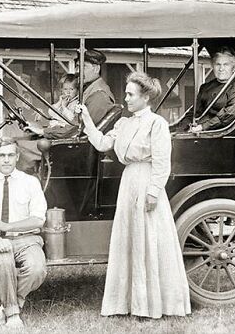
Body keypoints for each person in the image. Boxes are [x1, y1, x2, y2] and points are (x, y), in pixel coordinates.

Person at [78, 72, 191, 318]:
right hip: (129, 182)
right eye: (126, 93)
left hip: (147, 181)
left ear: (145, 97)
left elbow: (162, 162)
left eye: (130, 94)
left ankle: (153, 304)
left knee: (148, 238)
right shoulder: (123, 124)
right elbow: (101, 144)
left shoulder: (156, 124)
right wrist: (86, 118)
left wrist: (153, 192)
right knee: (129, 240)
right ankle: (131, 303)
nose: (126, 99)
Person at [0, 137, 48, 328]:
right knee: (4, 262)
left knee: (37, 268)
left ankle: (9, 304)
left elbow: (38, 220)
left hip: (27, 239)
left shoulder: (30, 182)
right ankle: (13, 315)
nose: (6, 160)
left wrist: (7, 226)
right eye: (1, 155)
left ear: (17, 157)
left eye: (10, 155)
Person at [26, 50, 115, 139]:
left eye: (83, 67)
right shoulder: (87, 90)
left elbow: (77, 128)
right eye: (77, 66)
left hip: (77, 145)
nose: (78, 71)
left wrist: (43, 131)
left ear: (96, 69)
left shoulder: (99, 95)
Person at [176, 46, 235, 132]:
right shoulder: (205, 87)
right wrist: (181, 129)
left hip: (218, 134)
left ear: (233, 68)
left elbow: (228, 115)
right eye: (218, 64)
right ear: (213, 66)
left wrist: (202, 127)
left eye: (226, 65)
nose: (221, 69)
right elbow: (194, 113)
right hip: (197, 130)